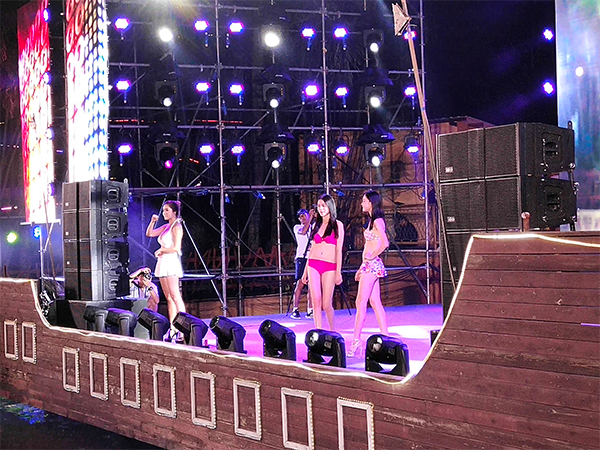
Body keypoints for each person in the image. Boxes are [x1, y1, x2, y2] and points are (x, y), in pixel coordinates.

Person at [347, 190, 389, 357]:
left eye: (364, 201)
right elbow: (367, 247)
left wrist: (373, 256)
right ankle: (386, 337)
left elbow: (385, 243)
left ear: (371, 203)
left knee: (360, 301)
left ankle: (356, 341)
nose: (361, 203)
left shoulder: (378, 221)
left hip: (372, 265)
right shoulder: (372, 221)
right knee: (374, 301)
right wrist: (361, 266)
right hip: (368, 265)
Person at [301, 194, 344, 331]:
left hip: (329, 266)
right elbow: (312, 249)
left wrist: (338, 272)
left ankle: (332, 331)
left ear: (330, 206)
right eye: (319, 206)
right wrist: (305, 271)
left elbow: (339, 250)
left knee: (326, 304)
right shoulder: (317, 225)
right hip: (313, 264)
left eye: (323, 206)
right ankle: (318, 330)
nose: (321, 208)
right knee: (316, 300)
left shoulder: (337, 225)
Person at [146, 200, 186, 342]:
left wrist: (162, 250)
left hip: (171, 262)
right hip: (163, 262)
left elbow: (176, 248)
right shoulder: (166, 227)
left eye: (167, 210)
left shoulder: (177, 227)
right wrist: (153, 222)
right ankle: (173, 327)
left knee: (175, 296)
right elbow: (150, 233)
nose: (164, 213)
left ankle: (183, 327)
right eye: (163, 210)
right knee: (168, 297)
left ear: (174, 212)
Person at [290, 208, 314, 319]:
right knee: (300, 283)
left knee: (311, 285)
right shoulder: (297, 227)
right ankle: (295, 309)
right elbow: (303, 231)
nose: (302, 218)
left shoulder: (313, 228)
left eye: (304, 215)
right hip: (301, 258)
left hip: (311, 258)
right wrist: (310, 218)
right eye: (300, 217)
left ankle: (310, 309)